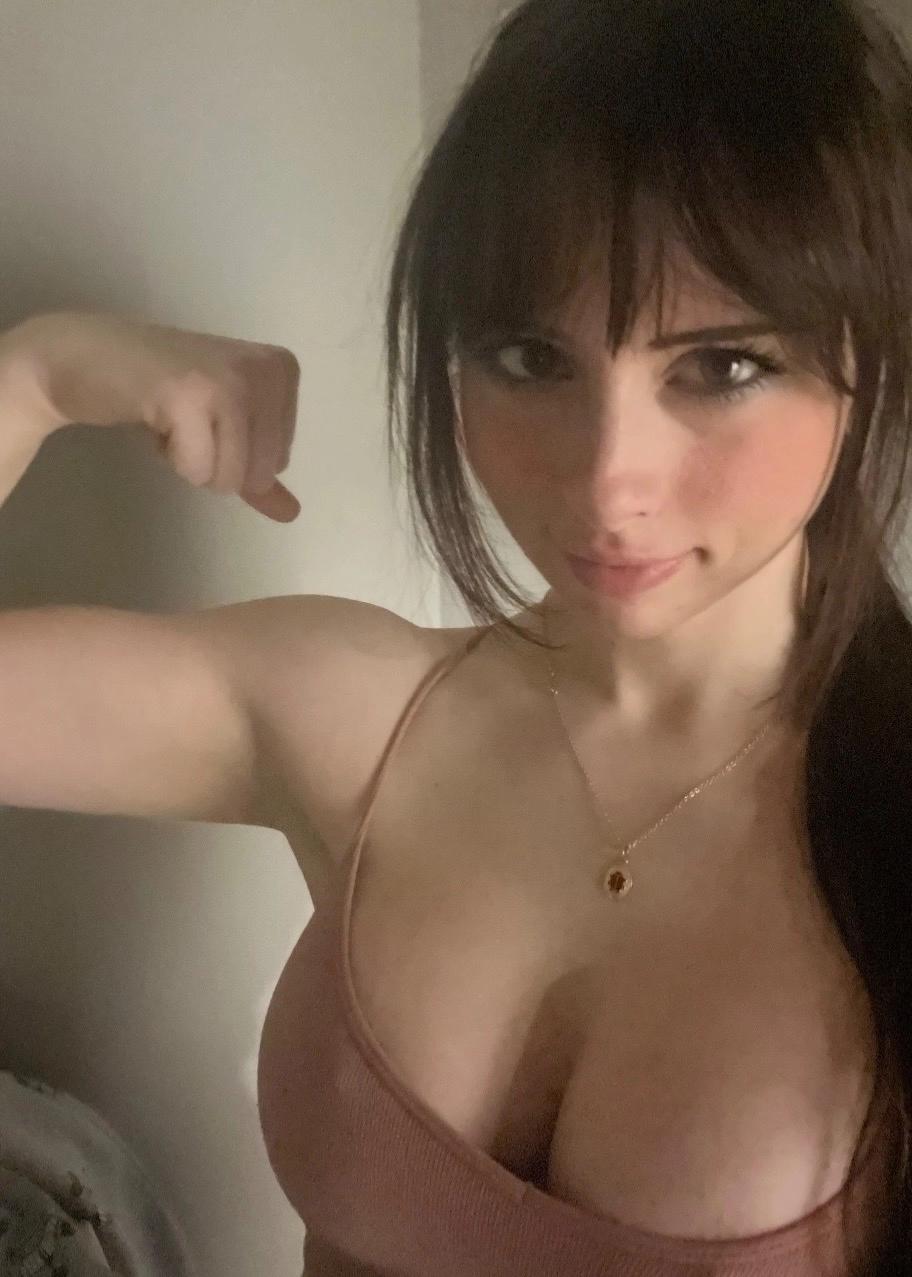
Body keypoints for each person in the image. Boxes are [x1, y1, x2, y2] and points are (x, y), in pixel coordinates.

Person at [0, 0, 910, 1271]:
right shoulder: (353, 718)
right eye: (532, 357)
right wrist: (37, 377)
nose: (608, 480)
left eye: (721, 366)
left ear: (867, 352)